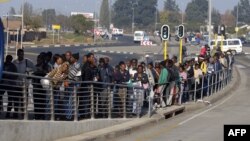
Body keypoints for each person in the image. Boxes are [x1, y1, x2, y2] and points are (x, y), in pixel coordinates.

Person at [12, 49, 35, 119]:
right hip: (16, 84)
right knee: (15, 100)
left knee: (24, 100)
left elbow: (34, 69)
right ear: (17, 54)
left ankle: (23, 113)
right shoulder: (14, 62)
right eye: (19, 54)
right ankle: (15, 113)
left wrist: (28, 71)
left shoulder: (27, 62)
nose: (21, 55)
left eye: (22, 54)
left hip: (24, 85)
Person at [64, 53, 81, 120]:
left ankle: (69, 117)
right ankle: (76, 115)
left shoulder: (77, 65)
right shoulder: (71, 65)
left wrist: (66, 77)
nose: (70, 58)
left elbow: (71, 75)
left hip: (74, 85)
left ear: (75, 59)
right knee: (71, 101)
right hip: (71, 84)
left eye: (72, 57)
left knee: (71, 100)